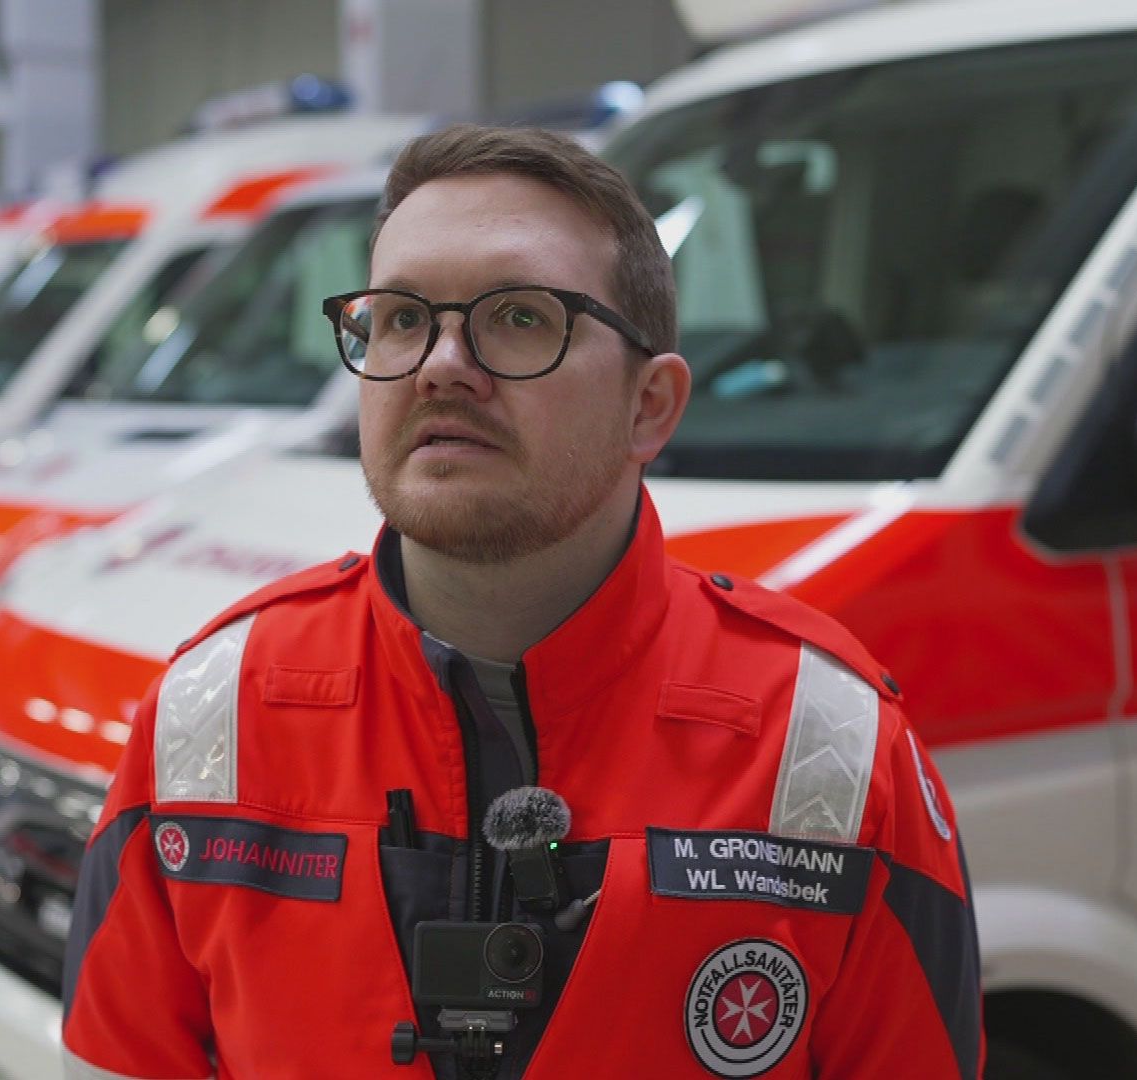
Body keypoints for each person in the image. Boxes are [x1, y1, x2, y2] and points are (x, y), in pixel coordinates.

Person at [62, 124, 983, 1079]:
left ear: (650, 408)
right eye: (401, 318)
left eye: (519, 317)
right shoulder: (212, 712)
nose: (440, 364)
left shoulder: (827, 741)